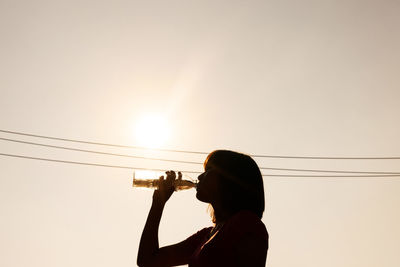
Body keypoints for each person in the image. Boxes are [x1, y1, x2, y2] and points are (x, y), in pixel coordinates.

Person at [137, 150, 269, 267]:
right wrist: (158, 204)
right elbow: (147, 260)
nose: (200, 177)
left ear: (229, 179)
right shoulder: (205, 236)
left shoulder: (246, 223)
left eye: (208, 171)